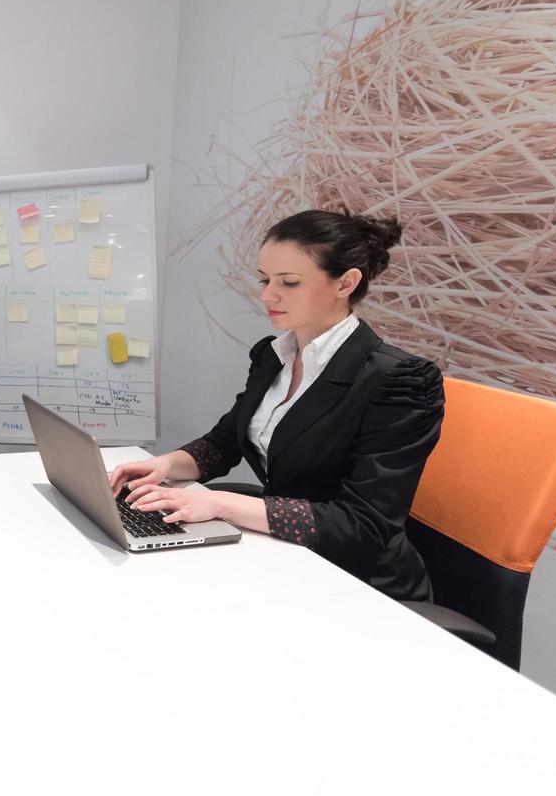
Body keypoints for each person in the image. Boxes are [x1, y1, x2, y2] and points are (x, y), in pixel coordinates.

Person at [110, 209, 444, 600]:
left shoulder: (401, 379)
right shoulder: (273, 356)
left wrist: (218, 502)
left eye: (289, 282)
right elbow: (224, 443)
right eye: (265, 280)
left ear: (346, 283)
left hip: (356, 581)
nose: (268, 295)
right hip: (282, 554)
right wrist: (163, 464)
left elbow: (363, 526)